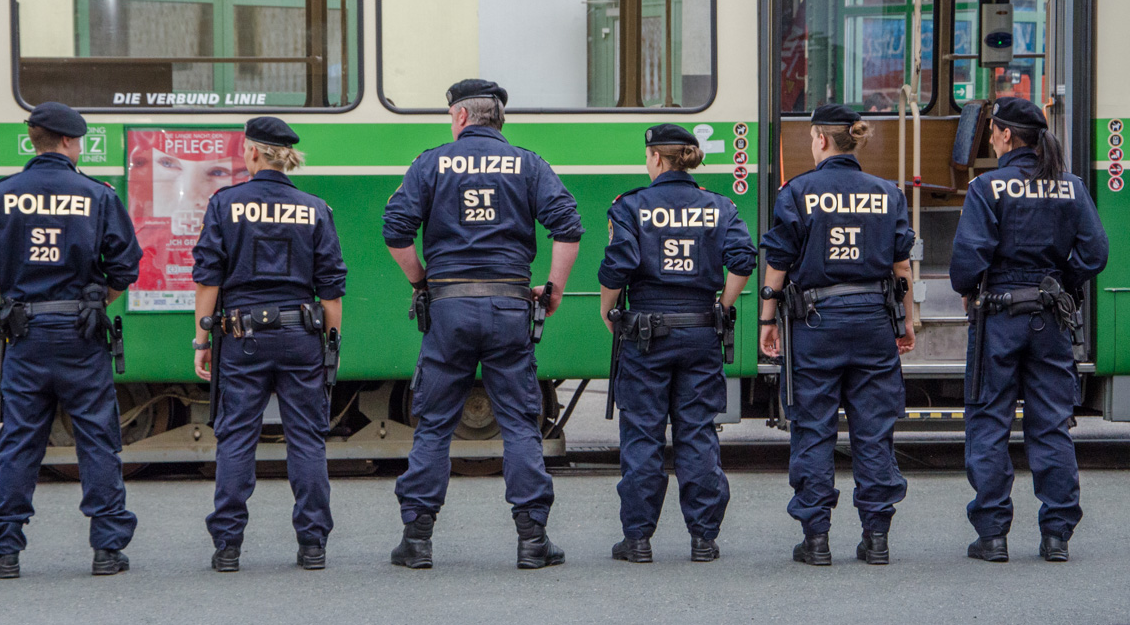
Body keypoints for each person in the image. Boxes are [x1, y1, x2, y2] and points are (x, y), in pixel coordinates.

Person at [382, 78, 583, 570]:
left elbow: (395, 231)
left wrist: (423, 282)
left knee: (434, 425)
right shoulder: (529, 163)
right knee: (518, 423)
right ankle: (533, 541)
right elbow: (569, 228)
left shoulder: (431, 162)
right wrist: (551, 291)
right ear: (499, 119)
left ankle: (418, 541)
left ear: (460, 117)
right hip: (510, 305)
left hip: (448, 307)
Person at [0, 101, 143, 579]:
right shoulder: (97, 195)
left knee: (20, 442)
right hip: (81, 336)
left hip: (25, 335)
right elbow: (126, 266)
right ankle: (107, 549)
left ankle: (4, 551)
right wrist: (93, 303)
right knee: (98, 441)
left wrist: (16, 302)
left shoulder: (1, 195)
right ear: (68, 142)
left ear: (34, 140)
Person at [950, 97, 1107, 563]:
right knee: (1050, 425)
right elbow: (1095, 253)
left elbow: (965, 265)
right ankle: (1056, 534)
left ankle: (993, 535)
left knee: (989, 423)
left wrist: (974, 286)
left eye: (993, 131)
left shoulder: (987, 187)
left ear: (1003, 135)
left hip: (998, 318)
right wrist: (1060, 284)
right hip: (1050, 320)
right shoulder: (1071, 186)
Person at [758, 103, 915, 566]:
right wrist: (904, 323)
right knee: (874, 431)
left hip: (816, 323)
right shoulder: (887, 193)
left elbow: (778, 262)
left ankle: (816, 540)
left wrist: (769, 322)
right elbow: (901, 265)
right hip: (872, 321)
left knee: (813, 429)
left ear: (821, 139)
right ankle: (877, 538)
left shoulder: (798, 192)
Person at [191, 117, 347, 572]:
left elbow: (208, 277)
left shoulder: (225, 204)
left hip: (241, 338)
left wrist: (202, 338)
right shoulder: (315, 208)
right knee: (307, 439)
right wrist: (330, 347)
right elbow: (332, 288)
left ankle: (228, 547)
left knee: (236, 437)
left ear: (254, 153)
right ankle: (313, 545)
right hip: (301, 336)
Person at [597, 124, 756, 563]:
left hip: (645, 334)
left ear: (655, 158)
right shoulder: (719, 205)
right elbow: (743, 259)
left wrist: (609, 310)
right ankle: (704, 538)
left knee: (643, 436)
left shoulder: (630, 206)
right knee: (697, 432)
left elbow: (617, 266)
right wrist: (721, 306)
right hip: (701, 331)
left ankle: (638, 540)